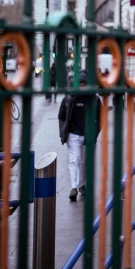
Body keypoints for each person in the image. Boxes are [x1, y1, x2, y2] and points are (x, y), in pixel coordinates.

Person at [58, 71, 102, 201]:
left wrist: (94, 133)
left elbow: (101, 118)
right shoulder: (69, 97)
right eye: (80, 84)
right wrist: (63, 132)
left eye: (84, 84)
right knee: (74, 160)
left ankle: (81, 185)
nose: (82, 87)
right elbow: (61, 116)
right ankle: (74, 188)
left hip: (88, 136)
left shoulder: (94, 99)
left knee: (84, 162)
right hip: (73, 135)